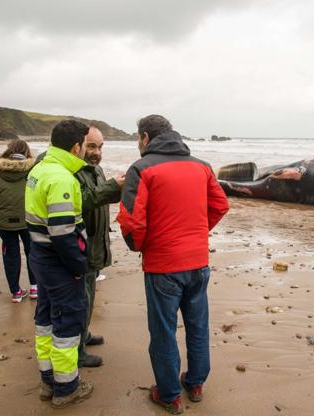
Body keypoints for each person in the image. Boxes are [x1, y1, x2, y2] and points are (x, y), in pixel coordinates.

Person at [117, 115, 229, 414]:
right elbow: (220, 205)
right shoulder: (201, 166)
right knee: (197, 324)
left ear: (144, 137)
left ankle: (169, 395)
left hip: (163, 263)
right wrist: (195, 233)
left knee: (164, 330)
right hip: (197, 261)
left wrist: (140, 246)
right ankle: (195, 383)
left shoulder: (141, 168)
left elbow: (131, 220)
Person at [25, 120, 93, 408]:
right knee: (67, 322)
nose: (86, 152)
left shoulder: (39, 170)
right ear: (76, 147)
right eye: (86, 146)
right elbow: (63, 232)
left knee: (45, 318)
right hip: (58, 262)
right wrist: (79, 266)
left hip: (39, 256)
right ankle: (66, 388)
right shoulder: (62, 178)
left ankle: (48, 379)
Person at [75, 126, 125, 367]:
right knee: (79, 299)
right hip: (81, 246)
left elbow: (102, 196)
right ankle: (77, 350)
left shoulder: (97, 169)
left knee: (89, 293)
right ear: (79, 145)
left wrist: (120, 187)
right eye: (92, 146)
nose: (97, 152)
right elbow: (83, 199)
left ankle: (83, 335)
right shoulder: (72, 171)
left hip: (95, 245)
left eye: (100, 146)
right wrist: (114, 185)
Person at [0, 139, 37, 303]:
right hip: (29, 218)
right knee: (33, 252)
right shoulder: (33, 168)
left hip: (5, 220)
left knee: (10, 255)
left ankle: (15, 292)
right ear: (26, 151)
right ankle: (35, 288)